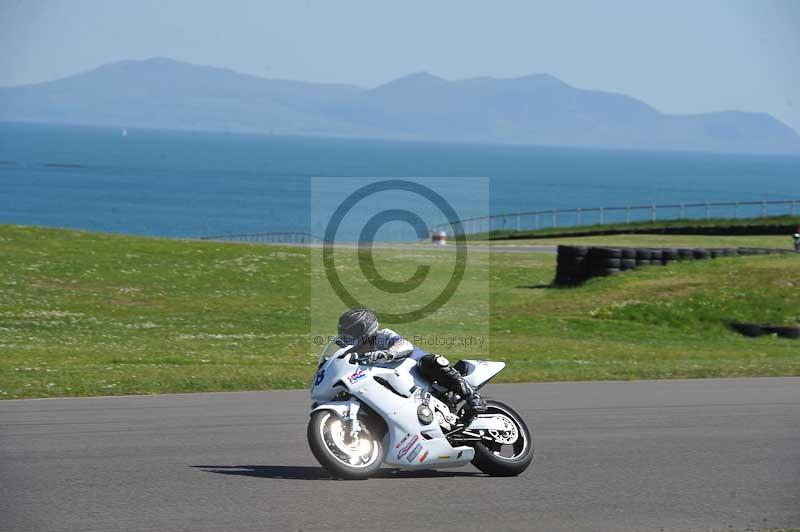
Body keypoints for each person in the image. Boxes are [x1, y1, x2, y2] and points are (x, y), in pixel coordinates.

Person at [336, 307, 487, 414]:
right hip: (398, 390)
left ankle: (473, 397)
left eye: (350, 333)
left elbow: (404, 345)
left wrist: (387, 354)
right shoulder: (352, 353)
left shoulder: (382, 336)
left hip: (417, 372)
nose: (346, 337)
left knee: (432, 361)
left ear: (364, 330)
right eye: (344, 334)